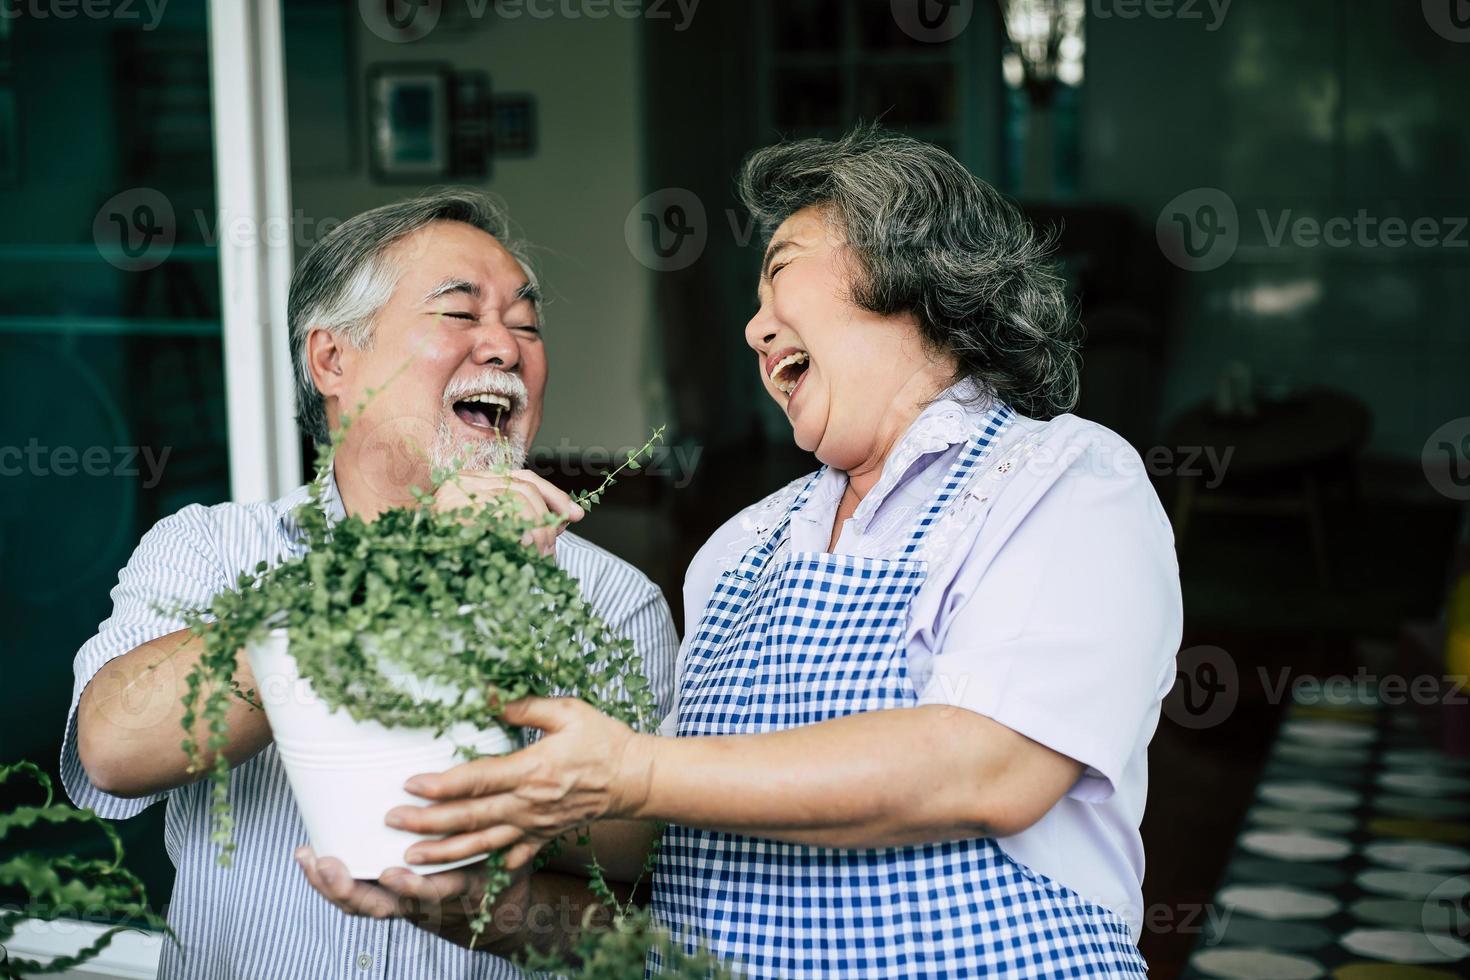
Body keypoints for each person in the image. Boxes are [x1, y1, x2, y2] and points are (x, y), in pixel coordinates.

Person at [309, 127, 1182, 978]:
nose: (754, 331)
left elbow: (990, 769)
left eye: (781, 273)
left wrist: (628, 769)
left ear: (914, 271)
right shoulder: (740, 549)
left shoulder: (1064, 479)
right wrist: (491, 885)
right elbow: (685, 874)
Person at [65, 191, 679, 978]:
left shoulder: (610, 599)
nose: (505, 348)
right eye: (460, 314)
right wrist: (398, 571)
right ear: (332, 361)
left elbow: (632, 885)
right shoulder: (210, 548)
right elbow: (114, 748)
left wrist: (489, 898)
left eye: (527, 326)